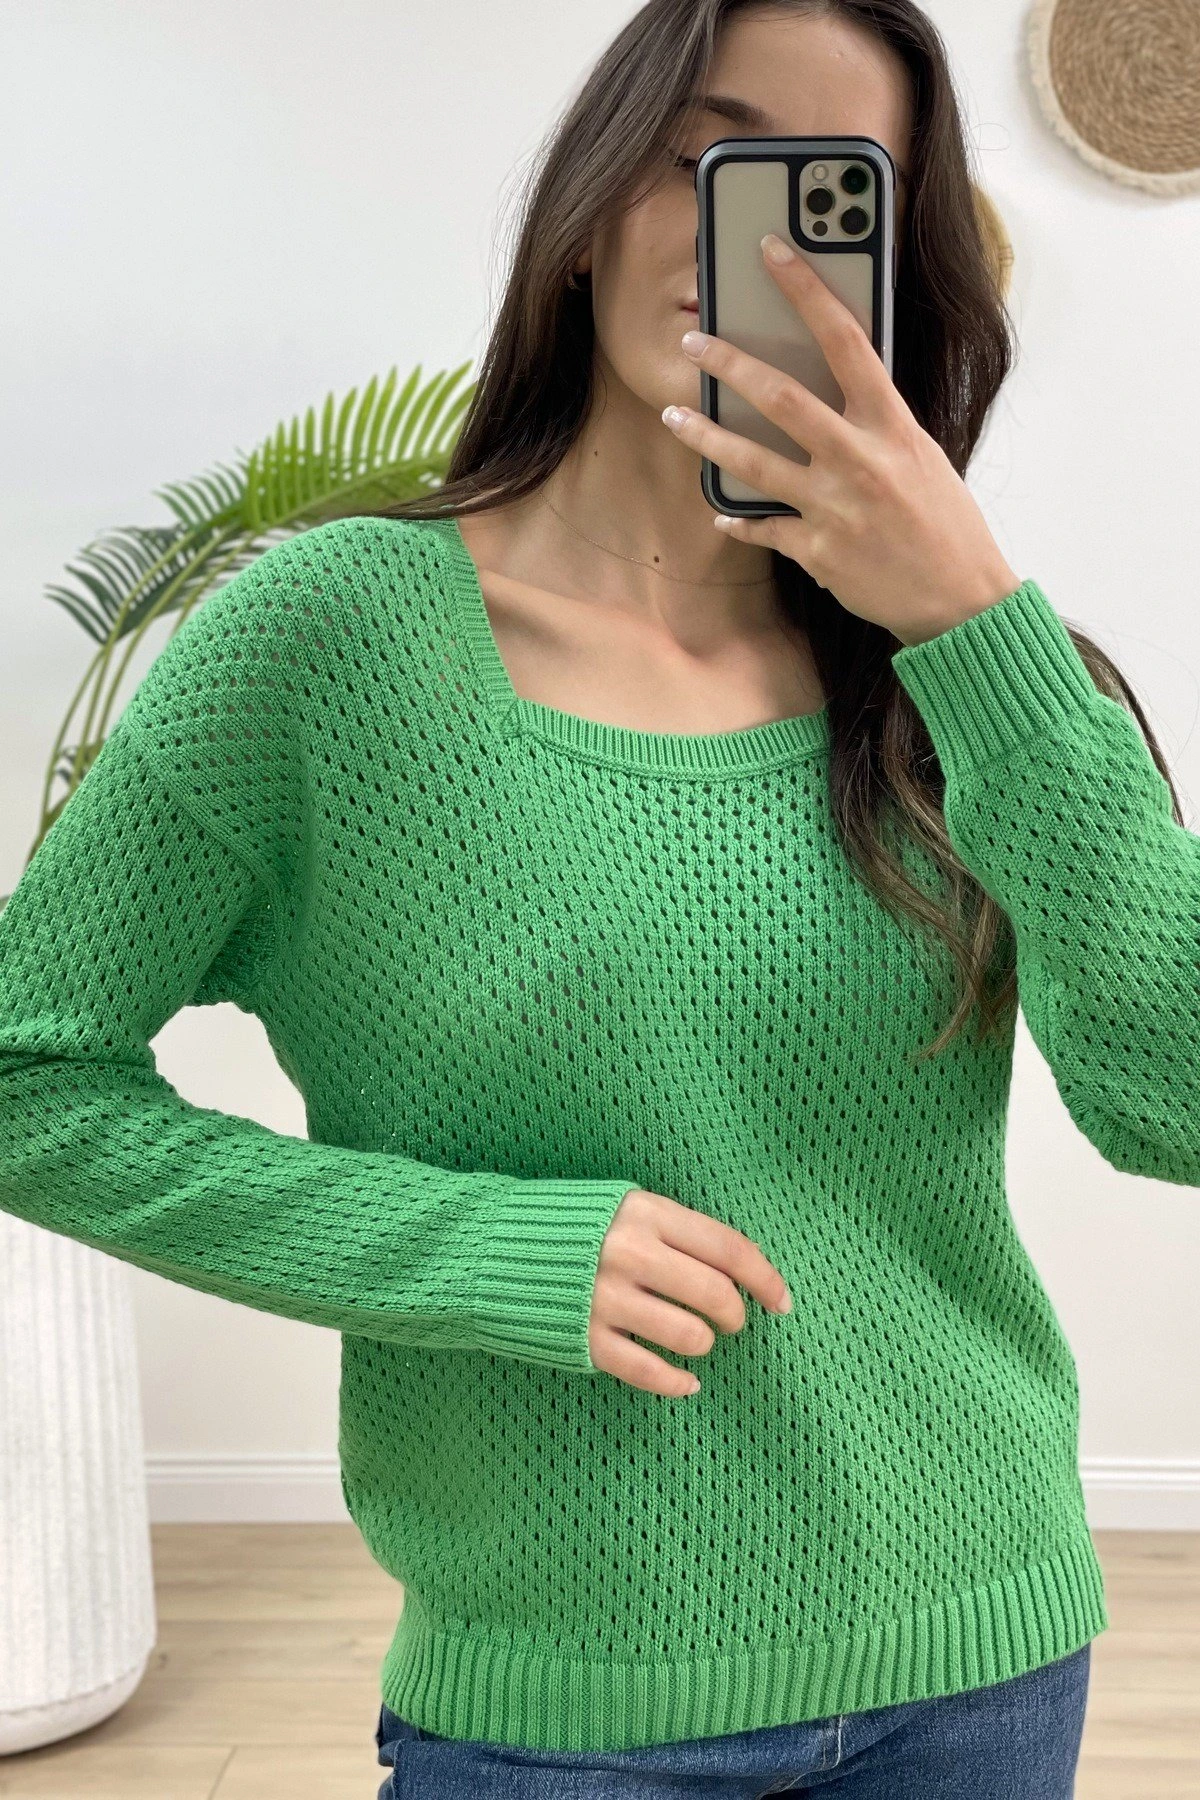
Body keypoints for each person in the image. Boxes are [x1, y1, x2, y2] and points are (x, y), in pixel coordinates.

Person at [2, 2, 1195, 1795]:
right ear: (586, 205)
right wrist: (483, 1253)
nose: (753, 233)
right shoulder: (328, 647)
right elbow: (25, 1073)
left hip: (987, 1652)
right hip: (563, 1710)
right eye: (702, 151)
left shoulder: (972, 682)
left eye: (831, 192)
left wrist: (974, 622)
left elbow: (1180, 1102)